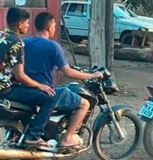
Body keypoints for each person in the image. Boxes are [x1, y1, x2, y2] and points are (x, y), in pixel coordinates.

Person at [23, 12, 104, 149]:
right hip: (45, 92)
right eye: (54, 25)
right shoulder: (53, 46)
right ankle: (68, 138)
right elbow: (68, 72)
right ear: (49, 28)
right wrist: (93, 75)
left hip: (26, 89)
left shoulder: (24, 43)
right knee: (84, 104)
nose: (55, 28)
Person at [0, 8, 53, 148]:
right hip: (6, 89)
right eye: (26, 23)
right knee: (48, 99)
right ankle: (34, 136)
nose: (28, 26)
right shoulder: (16, 43)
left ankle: (18, 134)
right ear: (20, 24)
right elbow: (20, 76)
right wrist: (40, 85)